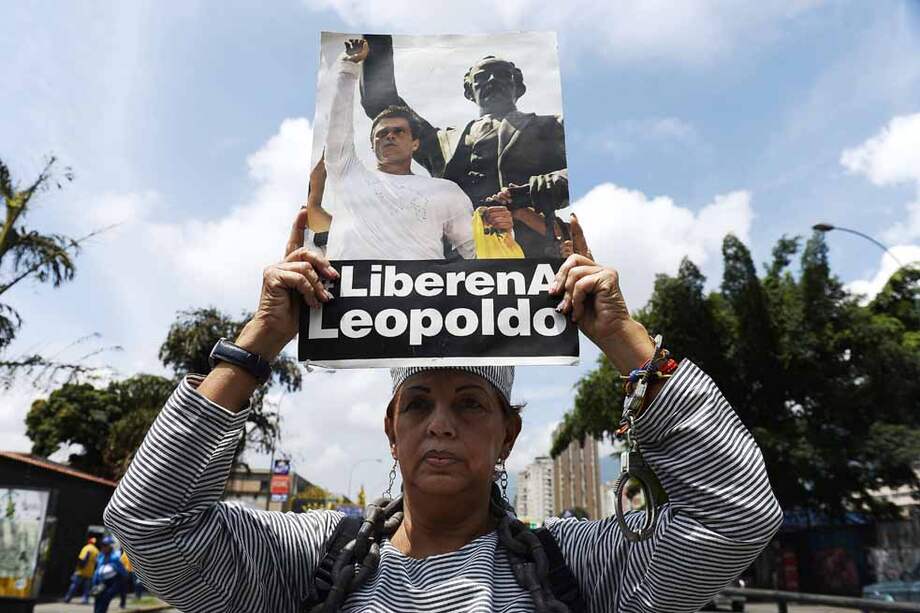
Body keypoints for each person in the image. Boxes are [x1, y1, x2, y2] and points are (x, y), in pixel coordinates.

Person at [103, 208, 783, 612]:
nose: (441, 422)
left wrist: (624, 340)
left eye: (469, 403)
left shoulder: (579, 563)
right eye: (419, 403)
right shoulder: (307, 556)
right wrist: (258, 343)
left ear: (508, 432)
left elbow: (737, 514)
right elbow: (149, 523)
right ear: (391, 429)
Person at [361, 34, 569, 257]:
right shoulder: (443, 142)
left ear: (518, 86)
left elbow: (580, 168)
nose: (491, 81)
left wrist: (537, 188)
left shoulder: (552, 126)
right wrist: (375, 36)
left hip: (532, 252)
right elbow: (380, 102)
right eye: (481, 77)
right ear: (470, 92)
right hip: (458, 261)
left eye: (502, 75)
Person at [322, 39, 512, 261]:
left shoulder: (446, 192)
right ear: (371, 144)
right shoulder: (348, 175)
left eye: (399, 131)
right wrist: (348, 68)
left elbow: (475, 253)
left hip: (421, 292)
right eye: (382, 133)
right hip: (350, 291)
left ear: (416, 143)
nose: (390, 136)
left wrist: (500, 231)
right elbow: (337, 129)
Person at [91, 535, 127, 613]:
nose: (103, 547)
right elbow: (97, 571)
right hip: (100, 583)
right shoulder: (101, 556)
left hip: (111, 584)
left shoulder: (115, 557)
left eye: (105, 545)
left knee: (104, 602)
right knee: (97, 602)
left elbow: (123, 573)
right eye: (102, 545)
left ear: (110, 546)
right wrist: (94, 583)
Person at [63, 536, 97, 603]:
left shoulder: (86, 548)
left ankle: (67, 598)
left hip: (81, 571)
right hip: (90, 572)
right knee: (86, 588)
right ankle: (85, 600)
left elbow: (81, 559)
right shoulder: (96, 550)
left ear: (89, 541)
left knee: (74, 585)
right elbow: (96, 562)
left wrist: (77, 567)